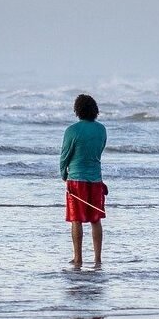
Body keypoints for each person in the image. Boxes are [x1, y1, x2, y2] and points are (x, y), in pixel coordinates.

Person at [60, 94, 107, 268]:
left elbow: (65, 155)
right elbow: (100, 150)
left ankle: (78, 258)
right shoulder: (101, 129)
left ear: (77, 110)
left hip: (76, 180)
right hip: (96, 179)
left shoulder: (72, 130)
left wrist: (63, 173)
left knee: (76, 219)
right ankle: (97, 259)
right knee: (95, 219)